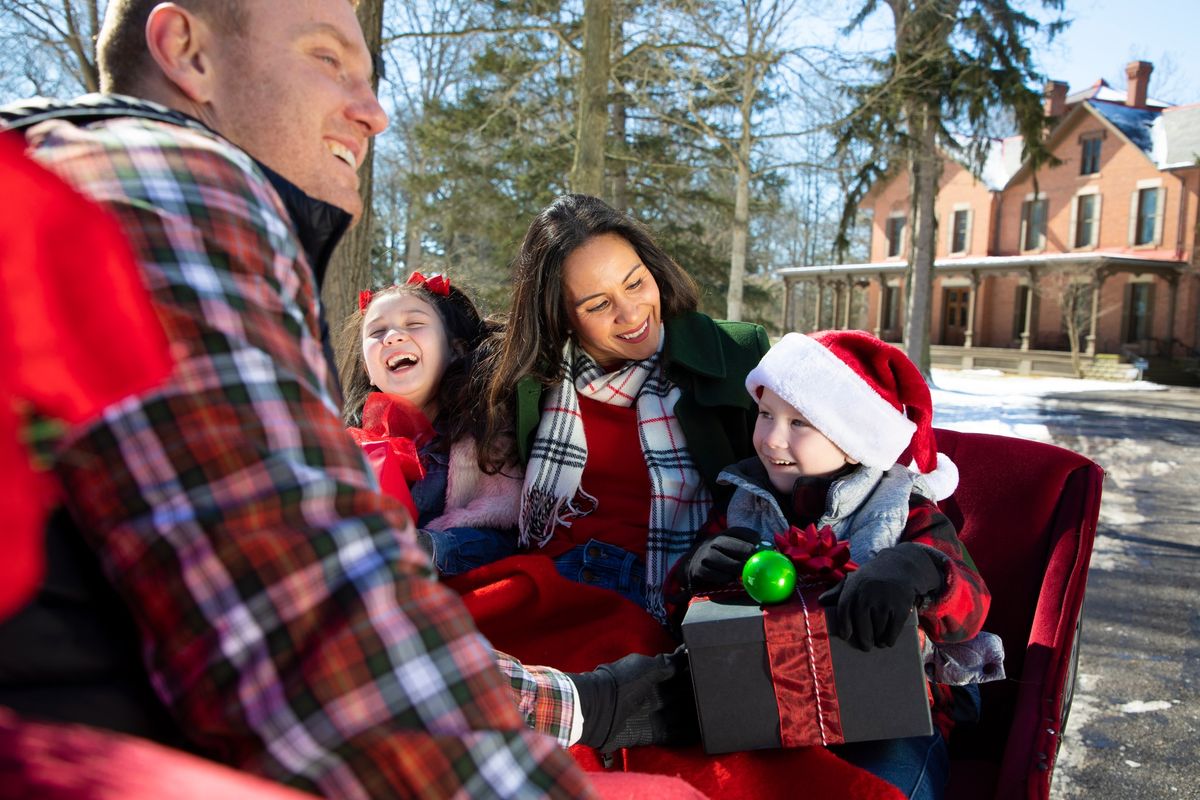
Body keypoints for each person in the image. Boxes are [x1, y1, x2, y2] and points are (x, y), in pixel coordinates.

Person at [0, 1, 694, 796]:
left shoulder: (44, 171)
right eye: (327, 58)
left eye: (369, 77)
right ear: (186, 51)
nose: (374, 112)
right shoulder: (163, 177)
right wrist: (579, 712)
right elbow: (304, 630)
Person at [674, 330, 1004, 800]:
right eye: (766, 415)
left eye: (799, 423)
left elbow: (970, 606)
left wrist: (915, 569)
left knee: (879, 789)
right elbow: (680, 614)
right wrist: (694, 573)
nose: (771, 438)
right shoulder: (742, 501)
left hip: (894, 710)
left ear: (854, 443)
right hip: (768, 697)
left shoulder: (899, 508)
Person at [476, 193, 771, 625]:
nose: (631, 314)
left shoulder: (736, 355)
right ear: (560, 315)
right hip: (548, 581)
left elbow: (797, 481)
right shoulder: (531, 378)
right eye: (597, 305)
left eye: (634, 283)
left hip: (664, 597)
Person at [338, 273, 522, 574]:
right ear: (366, 369)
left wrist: (425, 548)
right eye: (377, 331)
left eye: (414, 324)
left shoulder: (485, 434)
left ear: (455, 350)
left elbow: (504, 539)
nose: (393, 337)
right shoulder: (348, 448)